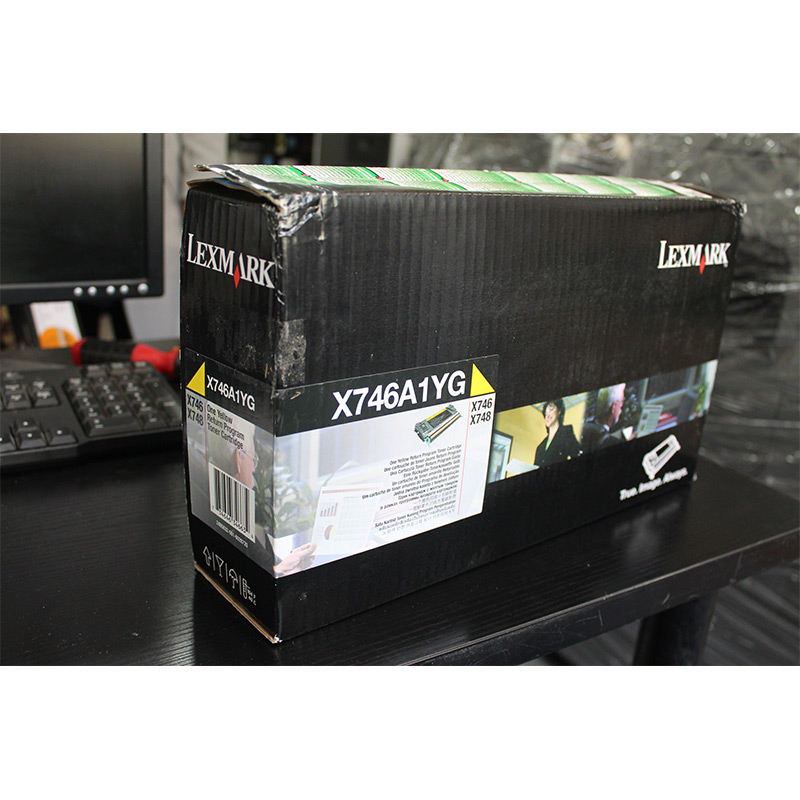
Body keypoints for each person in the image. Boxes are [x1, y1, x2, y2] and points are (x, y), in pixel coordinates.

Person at [534, 398, 582, 467]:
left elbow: (577, 454)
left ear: (559, 411)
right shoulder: (540, 447)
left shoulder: (566, 432)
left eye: (551, 410)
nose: (547, 416)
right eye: (545, 413)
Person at [581, 383, 626, 452]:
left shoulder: (585, 427)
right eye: (621, 401)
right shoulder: (611, 443)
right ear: (613, 407)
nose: (621, 405)